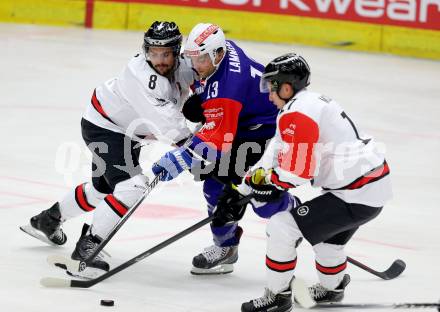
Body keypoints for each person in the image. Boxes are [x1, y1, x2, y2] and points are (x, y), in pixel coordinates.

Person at [213, 53, 393, 312]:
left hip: (356, 194)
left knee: (281, 227)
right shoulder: (301, 105)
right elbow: (274, 153)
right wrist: (240, 189)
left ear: (286, 87)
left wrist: (272, 183)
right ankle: (332, 288)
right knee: (328, 241)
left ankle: (278, 297)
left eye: (270, 86)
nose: (268, 94)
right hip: (368, 189)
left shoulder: (297, 113)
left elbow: (298, 173)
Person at [20, 21, 196, 278]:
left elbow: (200, 76)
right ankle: (87, 250)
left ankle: (47, 220)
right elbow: (170, 126)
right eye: (153, 53)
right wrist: (200, 148)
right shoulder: (143, 77)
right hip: (105, 128)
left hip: (123, 131)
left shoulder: (180, 66)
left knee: (104, 189)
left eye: (165, 53)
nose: (159, 59)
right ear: (146, 50)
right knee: (132, 186)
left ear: (176, 52)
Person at [151, 23, 281, 275]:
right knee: (213, 178)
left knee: (226, 189)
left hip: (256, 130)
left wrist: (182, 158)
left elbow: (220, 138)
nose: (195, 65)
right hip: (238, 115)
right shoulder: (219, 52)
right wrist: (203, 101)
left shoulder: (229, 89)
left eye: (200, 59)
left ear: (218, 54)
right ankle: (227, 242)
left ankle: (231, 244)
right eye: (192, 58)